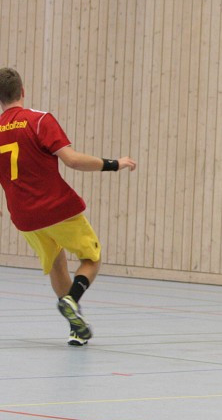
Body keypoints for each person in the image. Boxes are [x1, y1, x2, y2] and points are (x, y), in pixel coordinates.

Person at [0, 67, 137, 346]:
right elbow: (72, 160)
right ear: (23, 91)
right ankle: (71, 300)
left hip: (24, 216)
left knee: (56, 263)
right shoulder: (39, 121)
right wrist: (115, 164)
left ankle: (76, 328)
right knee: (92, 258)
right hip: (56, 208)